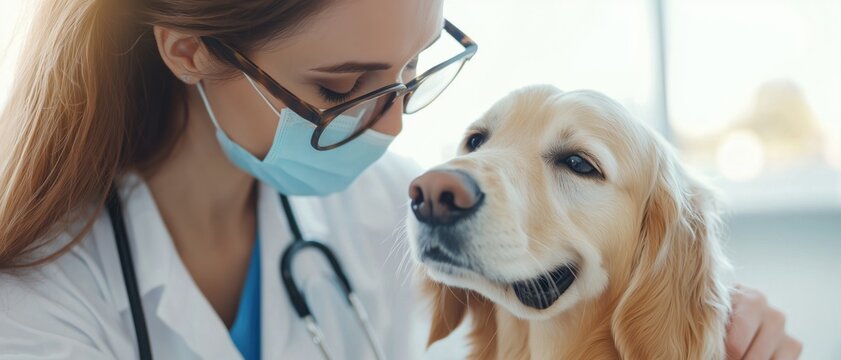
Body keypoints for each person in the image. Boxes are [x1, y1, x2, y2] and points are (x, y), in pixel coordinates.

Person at [0, 0, 801, 359]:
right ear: (191, 53)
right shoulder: (34, 303)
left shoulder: (383, 205)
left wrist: (713, 308)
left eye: (412, 73)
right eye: (342, 87)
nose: (392, 129)